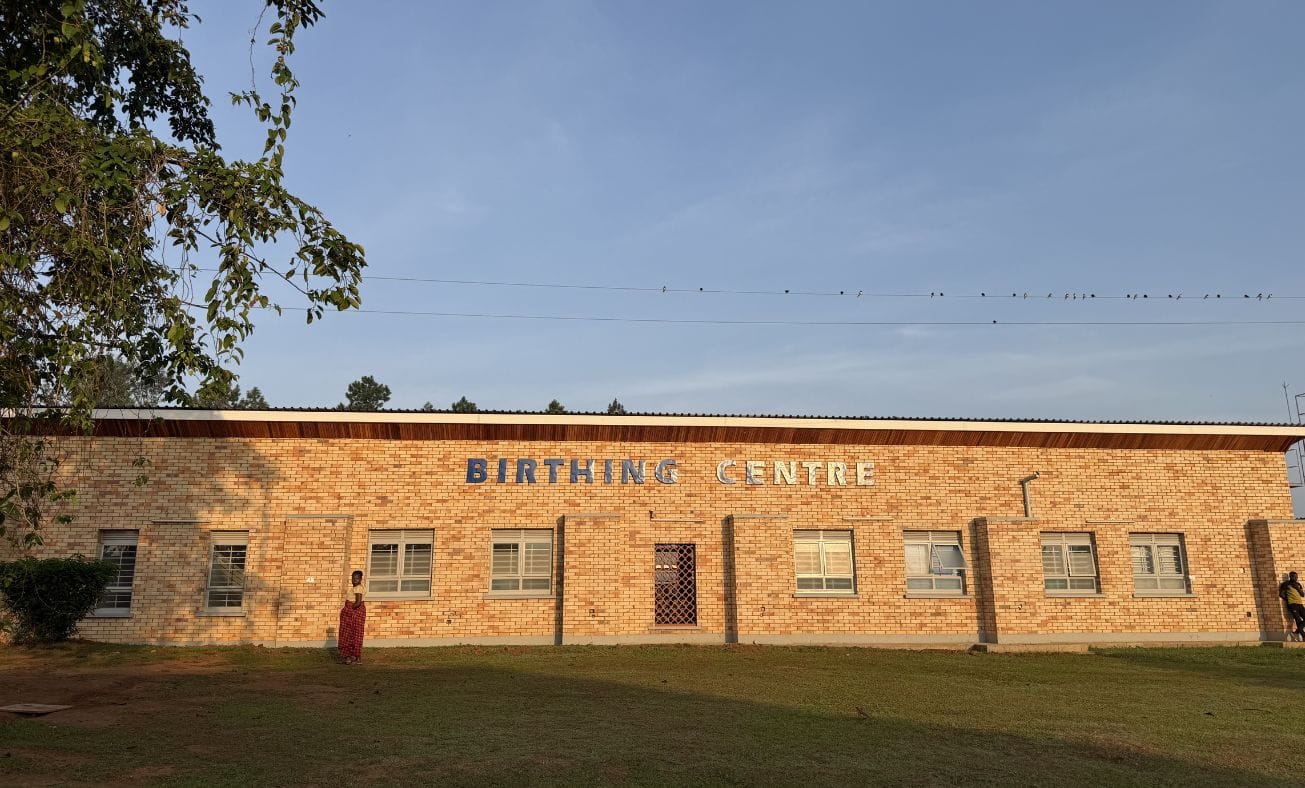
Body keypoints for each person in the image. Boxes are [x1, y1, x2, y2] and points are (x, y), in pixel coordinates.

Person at [338, 569, 366, 664]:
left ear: (361, 579)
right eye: (353, 578)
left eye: (357, 578)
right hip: (352, 611)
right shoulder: (355, 588)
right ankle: (351, 657)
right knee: (351, 633)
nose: (355, 580)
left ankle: (353, 656)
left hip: (354, 611)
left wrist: (349, 610)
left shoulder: (358, 588)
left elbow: (358, 602)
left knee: (351, 633)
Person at [1279, 571, 1305, 641]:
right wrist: (1288, 600)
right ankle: (1303, 636)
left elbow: (1302, 595)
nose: (1296, 578)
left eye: (1297, 577)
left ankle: (1296, 632)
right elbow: (1281, 594)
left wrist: (1297, 588)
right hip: (1292, 605)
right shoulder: (1286, 584)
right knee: (1298, 620)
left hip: (1300, 604)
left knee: (1301, 620)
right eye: (1294, 577)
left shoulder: (1298, 584)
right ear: (1290, 576)